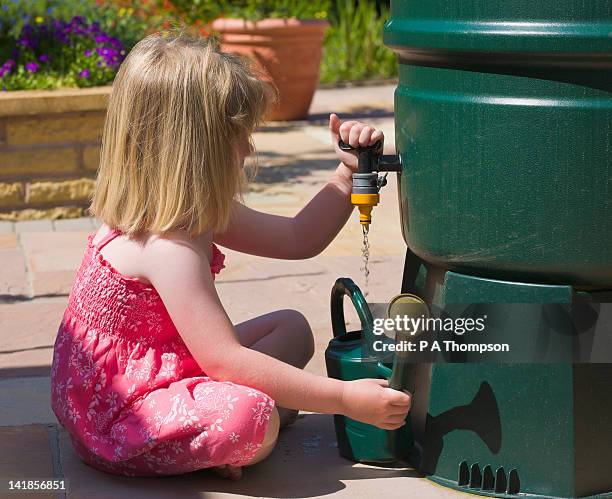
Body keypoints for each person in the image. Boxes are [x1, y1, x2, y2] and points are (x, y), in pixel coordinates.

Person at [50, 31, 410, 480]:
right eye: (238, 138)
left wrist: (346, 173)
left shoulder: (189, 208)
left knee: (292, 329)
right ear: (194, 152)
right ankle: (226, 443)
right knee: (253, 421)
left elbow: (298, 237)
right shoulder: (169, 248)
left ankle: (228, 428)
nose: (247, 149)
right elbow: (225, 361)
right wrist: (344, 397)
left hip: (160, 365)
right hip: (120, 417)